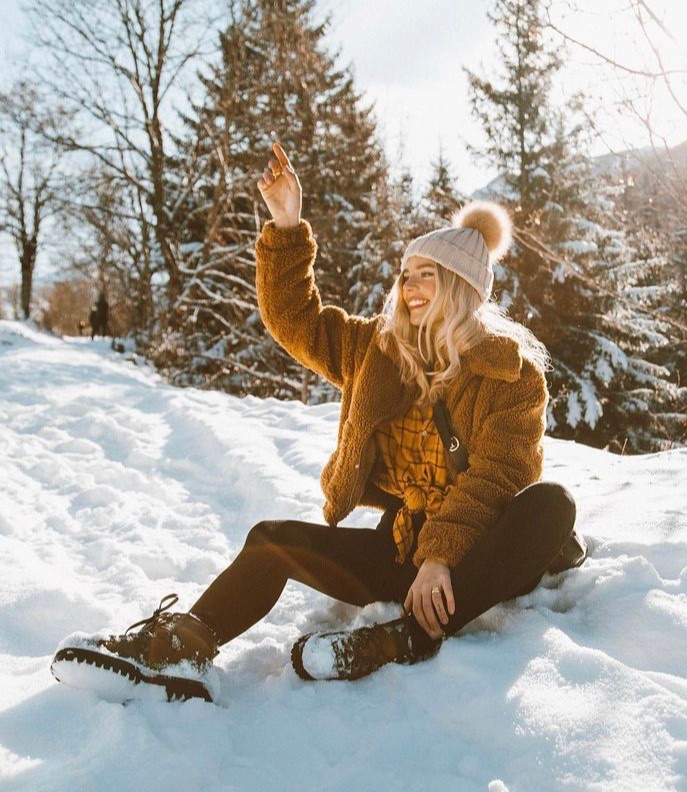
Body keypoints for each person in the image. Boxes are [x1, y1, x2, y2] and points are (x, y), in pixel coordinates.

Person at [51, 143, 585, 703]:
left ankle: (402, 640)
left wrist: (441, 557)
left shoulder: (510, 375)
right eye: (406, 274)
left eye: (427, 275)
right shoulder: (375, 352)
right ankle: (178, 650)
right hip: (404, 548)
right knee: (270, 541)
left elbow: (498, 477)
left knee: (550, 504)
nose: (409, 287)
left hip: (479, 558)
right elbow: (297, 321)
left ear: (461, 288)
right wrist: (286, 224)